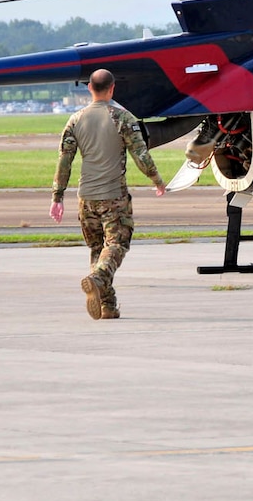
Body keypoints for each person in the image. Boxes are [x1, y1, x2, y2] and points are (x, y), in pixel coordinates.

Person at [49, 69, 167, 320]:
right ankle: (98, 278)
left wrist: (57, 197)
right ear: (112, 89)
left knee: (97, 249)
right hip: (113, 196)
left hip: (86, 198)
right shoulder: (123, 118)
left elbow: (64, 161)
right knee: (116, 245)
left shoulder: (75, 119)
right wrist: (156, 180)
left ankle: (108, 306)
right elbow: (141, 155)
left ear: (89, 88)